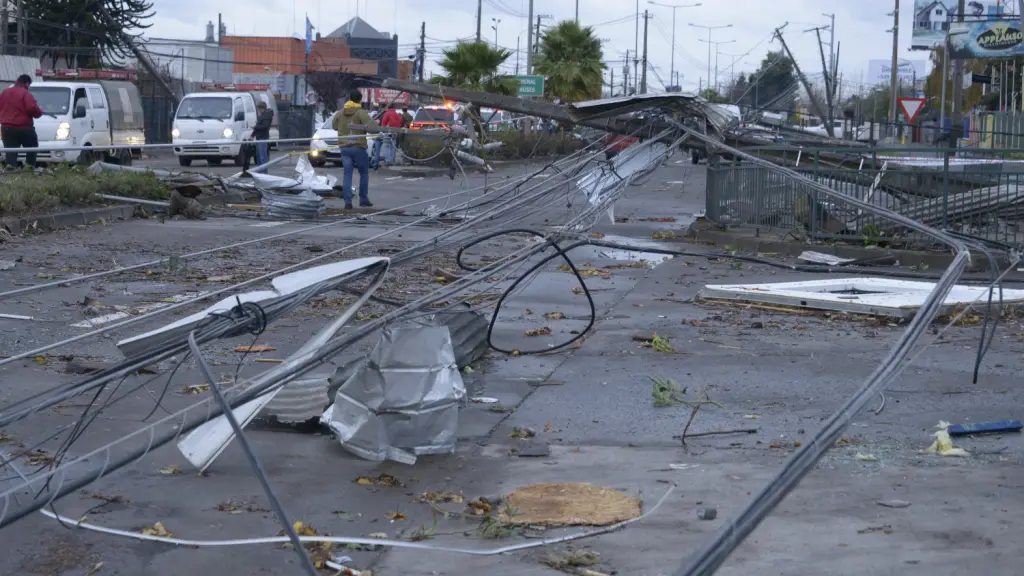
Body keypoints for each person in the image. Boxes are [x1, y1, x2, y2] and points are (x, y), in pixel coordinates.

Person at [333, 90, 377, 209]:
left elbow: (334, 125)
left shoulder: (340, 112)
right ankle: (363, 199)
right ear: (360, 99)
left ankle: (348, 201)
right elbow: (372, 129)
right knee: (364, 173)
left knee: (347, 174)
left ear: (349, 99)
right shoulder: (361, 112)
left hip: (344, 148)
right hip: (358, 147)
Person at [0, 74, 43, 169]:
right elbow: (32, 108)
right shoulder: (25, 93)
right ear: (27, 83)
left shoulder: (5, 92)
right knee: (32, 148)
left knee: (10, 152)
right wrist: (40, 112)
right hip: (24, 128)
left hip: (6, 128)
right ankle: (29, 169)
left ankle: (10, 172)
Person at [252, 101, 274, 166]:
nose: (258, 110)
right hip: (260, 138)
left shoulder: (266, 116)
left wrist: (255, 127)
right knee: (259, 156)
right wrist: (252, 135)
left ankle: (263, 172)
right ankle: (260, 171)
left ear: (262, 108)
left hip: (263, 138)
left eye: (259, 109)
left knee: (262, 156)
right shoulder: (263, 115)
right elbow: (259, 126)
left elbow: (265, 126)